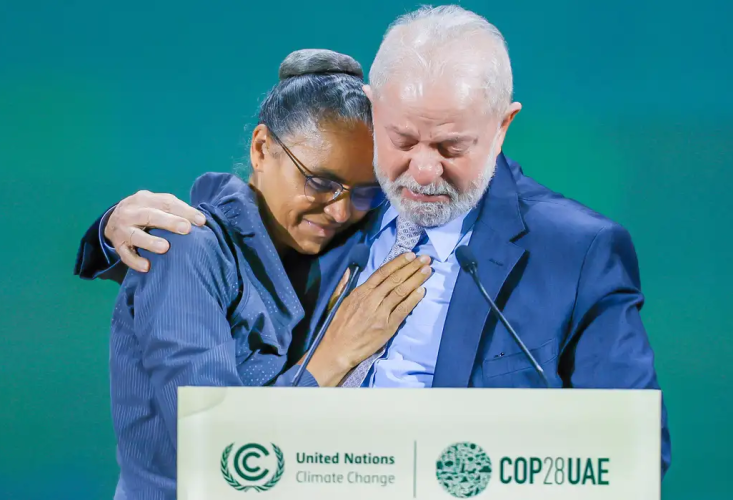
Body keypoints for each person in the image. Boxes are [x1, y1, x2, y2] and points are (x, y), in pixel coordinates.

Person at [76, 5, 671, 477]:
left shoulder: (577, 251)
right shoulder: (339, 209)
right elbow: (227, 235)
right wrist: (108, 231)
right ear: (376, 117)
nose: (422, 172)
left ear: (502, 126)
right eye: (403, 139)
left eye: (452, 147)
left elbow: (632, 452)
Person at [95, 48, 437, 499]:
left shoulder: (339, 241)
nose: (339, 211)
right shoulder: (185, 250)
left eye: (366, 194)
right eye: (319, 182)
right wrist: (333, 357)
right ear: (261, 148)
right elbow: (214, 450)